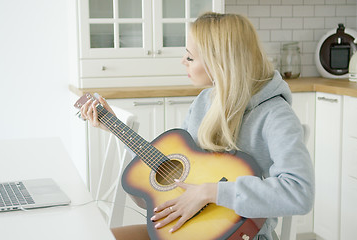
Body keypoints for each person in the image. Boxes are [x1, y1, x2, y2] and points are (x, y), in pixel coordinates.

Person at [80, 12, 314, 240]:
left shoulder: (275, 115)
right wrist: (115, 128)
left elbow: (299, 193)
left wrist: (210, 192)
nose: (183, 62)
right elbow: (173, 169)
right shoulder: (205, 100)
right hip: (185, 228)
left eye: (190, 57)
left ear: (219, 63)